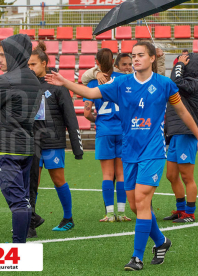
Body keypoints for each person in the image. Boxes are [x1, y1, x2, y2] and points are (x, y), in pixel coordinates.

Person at [45, 41, 198, 271]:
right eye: (133, 55)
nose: (135, 59)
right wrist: (65, 82)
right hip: (129, 153)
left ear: (152, 58)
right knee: (136, 206)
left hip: (153, 152)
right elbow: (89, 91)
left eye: (140, 55)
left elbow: (183, 111)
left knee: (143, 199)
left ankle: (136, 257)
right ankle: (161, 241)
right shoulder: (121, 83)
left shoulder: (165, 84)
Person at [0, 34, 42, 243]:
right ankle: (20, 243)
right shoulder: (33, 78)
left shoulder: (4, 81)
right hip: (26, 147)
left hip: (7, 147)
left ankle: (18, 245)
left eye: (2, 55)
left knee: (17, 202)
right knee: (22, 198)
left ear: (14, 54)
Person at [27, 41, 83, 237]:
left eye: (33, 64)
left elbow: (70, 116)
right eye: (27, 65)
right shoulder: (26, 85)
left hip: (53, 142)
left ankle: (68, 218)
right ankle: (29, 222)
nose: (30, 68)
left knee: (58, 180)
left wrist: (77, 147)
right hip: (32, 143)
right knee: (32, 183)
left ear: (44, 63)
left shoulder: (57, 86)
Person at [83, 48, 130, 222]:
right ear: (113, 62)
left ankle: (110, 213)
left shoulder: (92, 84)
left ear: (97, 62)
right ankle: (122, 212)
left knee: (107, 175)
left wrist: (99, 121)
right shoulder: (123, 79)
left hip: (104, 130)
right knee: (122, 174)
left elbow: (87, 114)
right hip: (123, 130)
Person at [164, 53, 198, 223]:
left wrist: (179, 65)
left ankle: (190, 214)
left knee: (187, 177)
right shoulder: (184, 81)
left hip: (186, 133)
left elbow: (177, 82)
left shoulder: (194, 83)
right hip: (175, 133)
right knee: (171, 175)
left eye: (185, 61)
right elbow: (172, 82)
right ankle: (180, 210)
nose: (181, 63)